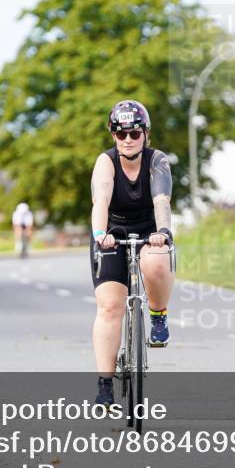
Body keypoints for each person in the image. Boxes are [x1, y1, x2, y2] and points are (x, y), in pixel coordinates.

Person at [90, 100, 175, 407]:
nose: (128, 139)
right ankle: (104, 385)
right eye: (121, 133)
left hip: (150, 232)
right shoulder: (106, 162)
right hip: (112, 234)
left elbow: (161, 200)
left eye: (134, 133)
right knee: (110, 306)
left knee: (156, 263)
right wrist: (100, 235)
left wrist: (162, 232)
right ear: (113, 135)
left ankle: (158, 315)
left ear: (145, 134)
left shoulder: (157, 161)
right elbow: (100, 200)